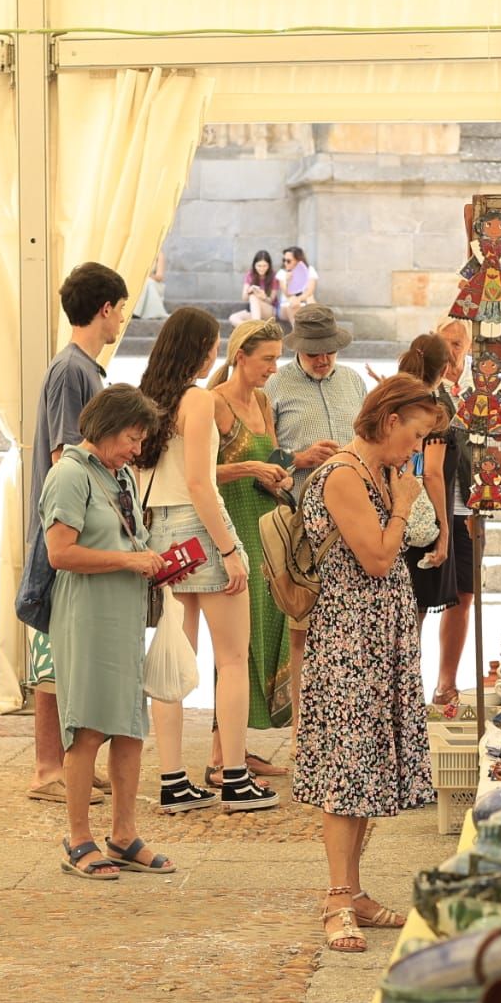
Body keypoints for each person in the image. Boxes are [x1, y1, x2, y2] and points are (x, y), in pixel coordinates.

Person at [294, 375, 439, 953]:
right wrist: (403, 507)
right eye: (416, 433)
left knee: (367, 766)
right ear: (388, 422)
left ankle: (353, 890)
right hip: (350, 640)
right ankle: (336, 897)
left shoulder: (378, 472)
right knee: (346, 766)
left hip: (377, 637)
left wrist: (403, 498)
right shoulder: (344, 476)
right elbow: (378, 558)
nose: (418, 447)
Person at [137, 307, 279, 814]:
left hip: (162, 534)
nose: (216, 352)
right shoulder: (196, 399)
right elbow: (201, 482)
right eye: (214, 343)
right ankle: (235, 775)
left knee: (174, 656)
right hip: (200, 529)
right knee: (233, 658)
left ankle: (172, 779)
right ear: (199, 349)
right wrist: (229, 549)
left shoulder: (148, 398)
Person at [42, 384, 175, 879]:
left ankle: (123, 834)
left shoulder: (115, 476)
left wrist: (155, 563)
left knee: (128, 725)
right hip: (87, 613)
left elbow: (127, 539)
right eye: (132, 438)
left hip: (122, 614)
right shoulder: (70, 474)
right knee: (89, 725)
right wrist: (129, 559)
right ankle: (78, 837)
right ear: (106, 428)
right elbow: (61, 553)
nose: (137, 450)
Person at [25, 262, 126, 806]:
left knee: (72, 651)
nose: (120, 322)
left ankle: (70, 759)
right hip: (65, 527)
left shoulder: (83, 367)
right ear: (104, 308)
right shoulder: (73, 370)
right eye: (120, 310)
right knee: (54, 654)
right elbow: (69, 452)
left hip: (77, 524)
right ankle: (48, 766)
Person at [263, 304, 366, 732]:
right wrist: (300, 458)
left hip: (352, 520)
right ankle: (304, 729)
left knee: (349, 625)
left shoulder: (355, 383)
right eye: (313, 353)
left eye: (328, 351)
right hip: (300, 521)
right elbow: (261, 457)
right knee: (301, 624)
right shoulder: (274, 386)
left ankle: (345, 721)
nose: (323, 359)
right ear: (298, 349)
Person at [209, 320, 295, 747]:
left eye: (276, 358)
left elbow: (273, 460)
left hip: (264, 531)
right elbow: (195, 475)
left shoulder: (262, 401)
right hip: (233, 531)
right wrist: (248, 468)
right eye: (267, 358)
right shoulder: (213, 404)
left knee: (262, 631)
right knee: (235, 644)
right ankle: (221, 754)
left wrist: (285, 471)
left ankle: (235, 748)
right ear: (240, 356)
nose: (273, 367)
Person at [395, 335, 458, 637]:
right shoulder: (434, 407)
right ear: (445, 368)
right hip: (421, 522)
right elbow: (432, 472)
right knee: (411, 628)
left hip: (393, 515)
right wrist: (444, 532)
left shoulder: (395, 397)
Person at [433, 319, 475, 704]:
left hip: (468, 508)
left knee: (464, 595)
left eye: (458, 345)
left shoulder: (480, 389)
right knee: (415, 597)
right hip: (431, 508)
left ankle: (447, 683)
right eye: (445, 343)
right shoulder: (426, 387)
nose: (452, 352)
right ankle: (405, 683)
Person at [229, 250, 280, 324]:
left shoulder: (273, 276)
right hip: (255, 312)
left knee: (253, 296)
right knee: (233, 318)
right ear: (254, 265)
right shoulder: (250, 275)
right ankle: (255, 328)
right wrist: (249, 290)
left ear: (269, 266)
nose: (262, 269)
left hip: (270, 311)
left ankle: (255, 326)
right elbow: (244, 298)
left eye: (265, 266)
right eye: (259, 266)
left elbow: (271, 300)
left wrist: (264, 297)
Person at [279, 246, 319, 327]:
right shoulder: (282, 272)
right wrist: (288, 281)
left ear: (298, 260)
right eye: (284, 260)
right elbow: (287, 294)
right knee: (293, 302)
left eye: (288, 261)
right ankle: (299, 333)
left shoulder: (309, 270)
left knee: (310, 298)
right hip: (286, 306)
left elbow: (309, 291)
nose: (285, 263)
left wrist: (299, 299)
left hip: (303, 302)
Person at [132, 249, 169, 321]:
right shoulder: (137, 253)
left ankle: (136, 312)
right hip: (138, 282)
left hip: (154, 283)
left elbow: (159, 277)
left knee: (147, 282)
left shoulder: (159, 254)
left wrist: (145, 275)